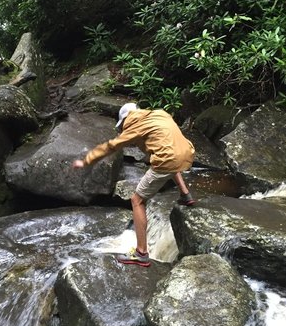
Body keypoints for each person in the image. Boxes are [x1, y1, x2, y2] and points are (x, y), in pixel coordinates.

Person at [72, 102, 195, 267]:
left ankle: (141, 253)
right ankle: (186, 194)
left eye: (122, 125)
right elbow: (166, 139)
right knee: (170, 160)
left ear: (125, 120)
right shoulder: (159, 114)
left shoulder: (135, 125)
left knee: (137, 200)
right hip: (187, 154)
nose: (122, 128)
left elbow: (112, 146)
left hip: (168, 160)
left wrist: (86, 161)